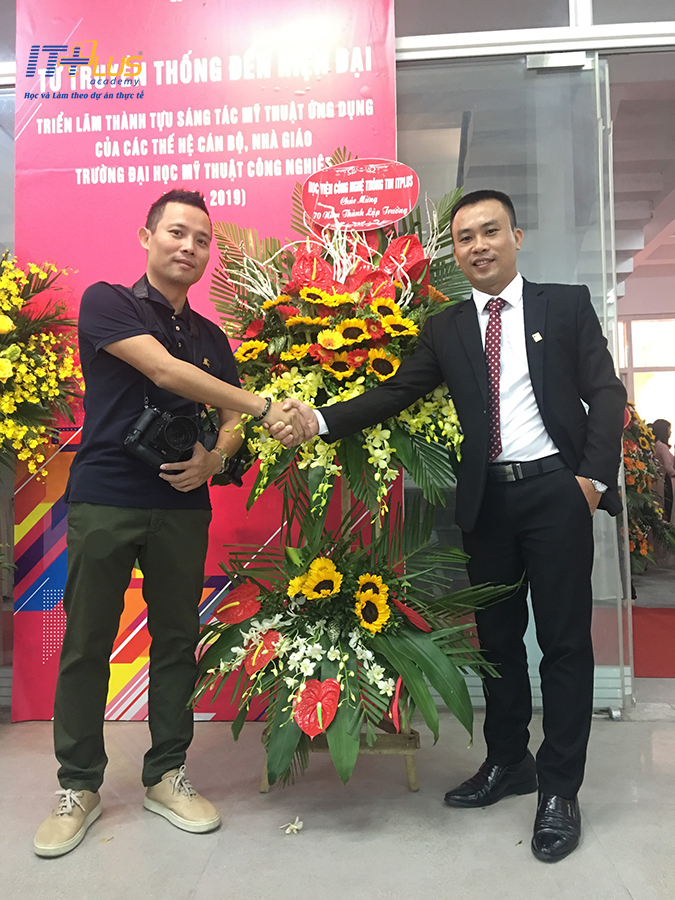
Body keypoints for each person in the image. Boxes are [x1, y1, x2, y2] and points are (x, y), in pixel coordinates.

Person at [273, 189, 627, 862]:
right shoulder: (447, 328)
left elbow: (605, 391)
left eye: (490, 231)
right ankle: (509, 761)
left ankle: (559, 788)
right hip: (485, 502)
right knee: (495, 642)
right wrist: (318, 419)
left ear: (516, 237)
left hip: (556, 493)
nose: (478, 246)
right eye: (465, 238)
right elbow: (395, 392)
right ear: (456, 253)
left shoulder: (565, 305)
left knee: (563, 645)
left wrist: (591, 480)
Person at [34, 189, 301, 857]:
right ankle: (78, 785)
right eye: (177, 233)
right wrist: (264, 405)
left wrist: (216, 458)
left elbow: (229, 422)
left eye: (202, 239)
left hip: (182, 503)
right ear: (146, 237)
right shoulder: (108, 302)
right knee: (87, 640)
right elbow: (163, 370)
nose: (190, 247)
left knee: (179, 639)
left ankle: (166, 774)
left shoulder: (211, 337)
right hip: (105, 495)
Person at [650, 419, 674, 522]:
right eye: (669, 430)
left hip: (657, 482)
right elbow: (668, 467)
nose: (670, 432)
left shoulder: (655, 445)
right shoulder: (662, 447)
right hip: (665, 482)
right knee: (666, 508)